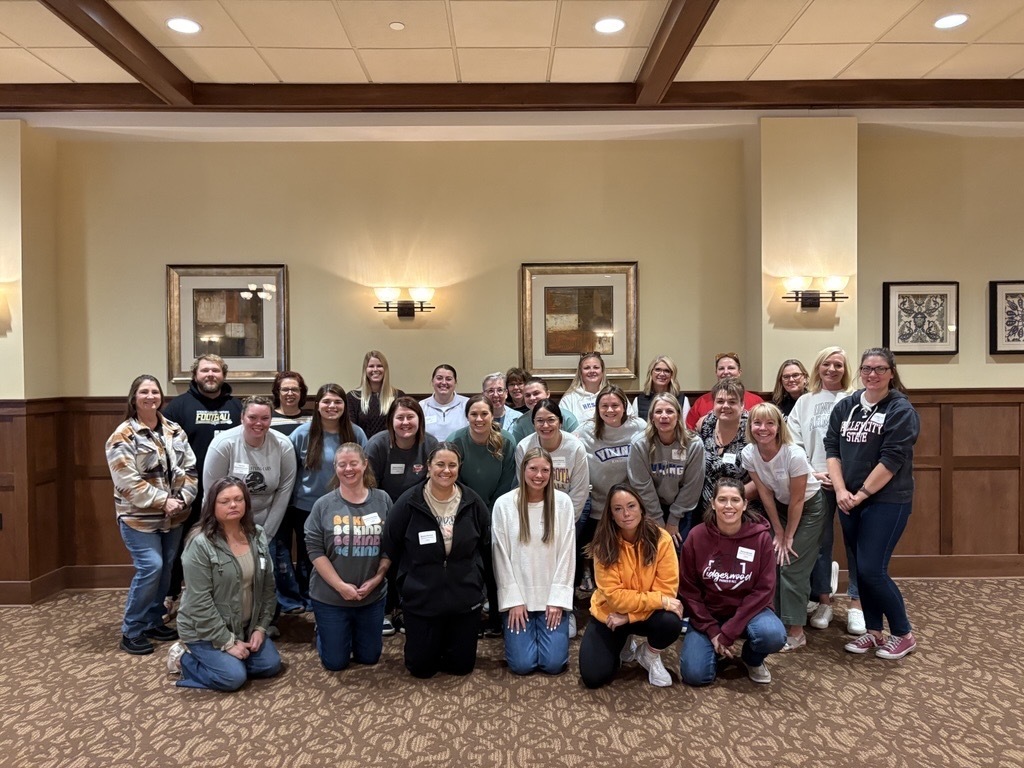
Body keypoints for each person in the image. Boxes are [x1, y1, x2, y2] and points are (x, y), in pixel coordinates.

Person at [825, 348, 920, 660]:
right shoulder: (847, 406)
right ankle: (874, 631)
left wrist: (861, 494)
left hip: (887, 501)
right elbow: (832, 449)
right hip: (849, 500)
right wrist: (840, 491)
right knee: (861, 570)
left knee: (872, 569)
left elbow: (891, 460)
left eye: (880, 369)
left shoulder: (900, 409)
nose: (872, 374)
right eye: (867, 368)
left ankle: (903, 633)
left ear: (891, 372)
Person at [381, 443, 492, 678]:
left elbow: (486, 547)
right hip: (422, 597)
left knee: (461, 667)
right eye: (440, 464)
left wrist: (480, 582)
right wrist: (403, 586)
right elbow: (391, 543)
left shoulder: (472, 502)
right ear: (428, 467)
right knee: (421, 668)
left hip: (464, 596)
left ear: (459, 468)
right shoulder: (409, 502)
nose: (446, 470)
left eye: (452, 465)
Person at [105, 375, 198, 655]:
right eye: (144, 392)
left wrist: (182, 499)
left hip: (175, 517)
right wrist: (162, 501)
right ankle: (131, 630)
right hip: (138, 519)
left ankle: (153, 620)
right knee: (151, 567)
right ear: (134, 397)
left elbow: (190, 469)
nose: (150, 396)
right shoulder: (122, 436)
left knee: (167, 569)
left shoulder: (173, 429)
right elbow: (127, 482)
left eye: (155, 392)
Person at [168, 477, 281, 690]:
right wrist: (227, 642)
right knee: (232, 678)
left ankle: (230, 659)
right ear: (212, 505)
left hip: (245, 626)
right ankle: (183, 659)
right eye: (225, 501)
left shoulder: (257, 534)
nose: (233, 505)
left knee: (271, 665)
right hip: (205, 631)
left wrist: (260, 627)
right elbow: (199, 602)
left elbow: (267, 586)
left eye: (239, 499)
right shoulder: (200, 544)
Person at [678, 478, 785, 686]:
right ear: (712, 503)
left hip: (750, 613)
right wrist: (713, 631)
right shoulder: (696, 536)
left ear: (744, 504)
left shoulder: (761, 538)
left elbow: (764, 590)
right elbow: (689, 591)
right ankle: (716, 650)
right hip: (709, 615)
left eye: (735, 500)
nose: (729, 506)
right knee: (695, 676)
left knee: (772, 635)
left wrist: (728, 633)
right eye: (722, 500)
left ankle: (751, 659)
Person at [578, 484, 684, 689]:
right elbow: (615, 598)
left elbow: (667, 592)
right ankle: (624, 642)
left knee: (671, 620)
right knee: (593, 677)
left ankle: (649, 654)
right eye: (618, 509)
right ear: (611, 514)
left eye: (631, 506)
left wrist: (629, 618)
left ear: (641, 508)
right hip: (610, 615)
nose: (626, 513)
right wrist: (658, 600)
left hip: (634, 616)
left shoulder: (661, 539)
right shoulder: (603, 544)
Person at [741, 403, 826, 651]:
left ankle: (797, 631)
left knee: (791, 562)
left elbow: (798, 500)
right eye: (757, 423)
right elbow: (765, 494)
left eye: (770, 423)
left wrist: (788, 537)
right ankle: (777, 621)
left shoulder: (793, 454)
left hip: (809, 508)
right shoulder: (749, 453)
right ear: (750, 426)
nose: (763, 428)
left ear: (779, 427)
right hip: (779, 506)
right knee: (772, 559)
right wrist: (777, 531)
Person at [788, 346, 862, 634]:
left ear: (846, 370)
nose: (832, 369)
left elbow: (861, 442)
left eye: (839, 365)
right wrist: (812, 471)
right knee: (820, 544)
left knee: (856, 543)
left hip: (850, 483)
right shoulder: (805, 402)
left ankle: (856, 603)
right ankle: (824, 600)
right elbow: (793, 442)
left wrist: (844, 477)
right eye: (826, 364)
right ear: (817, 368)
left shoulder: (855, 400)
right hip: (816, 481)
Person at [162, 353, 242, 609]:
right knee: (179, 548)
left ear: (224, 376)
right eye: (205, 370)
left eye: (216, 371)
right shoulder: (177, 407)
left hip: (228, 493)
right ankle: (171, 596)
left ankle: (223, 598)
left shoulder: (237, 407)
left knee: (226, 545)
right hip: (189, 491)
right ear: (195, 375)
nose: (210, 375)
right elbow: (164, 449)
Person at [279, 384, 367, 614]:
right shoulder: (301, 434)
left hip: (346, 507)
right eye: (326, 402)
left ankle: (340, 593)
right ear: (317, 405)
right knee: (311, 558)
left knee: (340, 554)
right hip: (306, 507)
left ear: (345, 406)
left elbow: (366, 472)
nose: (332, 406)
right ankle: (312, 599)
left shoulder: (356, 434)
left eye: (337, 402)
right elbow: (290, 472)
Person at [305, 443, 392, 671]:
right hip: (331, 597)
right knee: (336, 663)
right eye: (342, 464)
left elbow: (390, 547)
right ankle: (325, 631)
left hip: (371, 597)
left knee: (370, 657)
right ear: (335, 468)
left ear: (365, 465)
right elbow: (315, 550)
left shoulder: (382, 500)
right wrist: (341, 586)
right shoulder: (323, 505)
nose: (348, 469)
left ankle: (350, 632)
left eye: (354, 463)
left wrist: (377, 578)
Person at [491, 448, 576, 675]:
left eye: (545, 470)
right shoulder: (504, 504)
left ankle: (544, 630)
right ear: (523, 470)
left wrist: (557, 600)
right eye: (533, 469)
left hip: (551, 597)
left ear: (552, 473)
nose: (539, 475)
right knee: (522, 665)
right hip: (518, 599)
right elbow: (500, 555)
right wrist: (514, 601)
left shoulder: (563, 503)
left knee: (553, 664)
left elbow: (568, 553)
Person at [362, 396, 439, 635]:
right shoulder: (378, 444)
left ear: (420, 420)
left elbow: (436, 482)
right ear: (391, 421)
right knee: (383, 559)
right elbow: (368, 484)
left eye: (411, 417)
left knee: (417, 559)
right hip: (382, 513)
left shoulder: (430, 444)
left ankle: (408, 609)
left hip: (418, 513)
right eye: (400, 418)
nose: (405, 422)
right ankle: (384, 610)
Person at [449, 394, 517, 636]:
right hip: (462, 511)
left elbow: (509, 480)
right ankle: (470, 616)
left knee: (494, 566)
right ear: (467, 416)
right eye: (473, 414)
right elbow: (451, 478)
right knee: (468, 566)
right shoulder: (456, 440)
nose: (479, 419)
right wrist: (473, 511)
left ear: (492, 415)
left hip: (497, 511)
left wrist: (492, 514)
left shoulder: (506, 441)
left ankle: (498, 618)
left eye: (484, 414)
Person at [575, 386, 646, 597]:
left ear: (625, 407)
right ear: (597, 409)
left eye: (615, 405)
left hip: (628, 504)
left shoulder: (639, 427)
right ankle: (591, 581)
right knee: (594, 548)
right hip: (597, 501)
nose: (610, 410)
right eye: (604, 406)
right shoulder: (586, 430)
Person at [627, 392, 706, 547]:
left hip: (682, 507)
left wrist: (673, 519)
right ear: (651, 418)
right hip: (650, 506)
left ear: (678, 416)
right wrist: (658, 520)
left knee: (678, 549)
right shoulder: (639, 444)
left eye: (669, 411)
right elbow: (641, 485)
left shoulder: (694, 444)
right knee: (653, 549)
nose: (664, 416)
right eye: (658, 412)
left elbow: (692, 485)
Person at [698, 378, 759, 516]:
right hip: (706, 510)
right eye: (720, 401)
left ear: (742, 404)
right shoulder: (706, 424)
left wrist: (728, 502)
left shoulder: (753, 430)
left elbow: (762, 478)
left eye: (732, 402)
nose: (725, 406)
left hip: (742, 509)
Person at [685, 353, 764, 431]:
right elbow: (691, 433)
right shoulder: (701, 402)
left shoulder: (756, 401)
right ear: (716, 373)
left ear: (739, 372)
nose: (726, 372)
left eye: (731, 368)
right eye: (721, 368)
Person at [347, 350, 405, 438]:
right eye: (371, 366)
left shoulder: (398, 396)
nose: (375, 369)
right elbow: (352, 430)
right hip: (363, 449)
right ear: (365, 370)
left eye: (379, 366)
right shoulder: (353, 397)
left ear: (385, 369)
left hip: (391, 448)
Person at [509, 377, 579, 444]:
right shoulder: (520, 424)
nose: (532, 398)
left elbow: (575, 446)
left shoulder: (568, 419)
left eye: (536, 393)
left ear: (548, 394)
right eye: (527, 395)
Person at [628, 355, 691, 422]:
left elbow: (685, 429)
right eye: (658, 370)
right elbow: (636, 429)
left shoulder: (683, 400)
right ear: (651, 373)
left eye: (667, 371)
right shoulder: (638, 400)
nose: (662, 374)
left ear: (672, 375)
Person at [419, 364, 469, 441]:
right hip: (430, 452)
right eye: (439, 378)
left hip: (460, 452)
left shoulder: (467, 404)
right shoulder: (421, 406)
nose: (444, 382)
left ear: (455, 382)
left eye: (449, 379)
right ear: (432, 381)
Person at [559, 352, 609, 425]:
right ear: (580, 372)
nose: (592, 371)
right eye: (587, 368)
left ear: (602, 371)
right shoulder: (569, 399)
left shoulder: (614, 396)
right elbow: (562, 428)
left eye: (596, 367)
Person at [270, 370, 310, 436]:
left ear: (301, 392)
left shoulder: (312, 419)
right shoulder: (269, 418)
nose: (290, 393)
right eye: (285, 389)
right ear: (277, 392)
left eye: (294, 389)